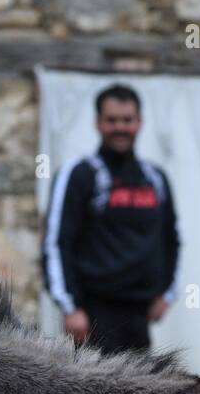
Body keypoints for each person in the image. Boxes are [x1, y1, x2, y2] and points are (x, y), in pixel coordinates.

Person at [42, 84, 181, 353]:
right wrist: (70, 308)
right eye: (112, 120)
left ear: (139, 122)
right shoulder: (79, 174)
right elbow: (56, 243)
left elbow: (172, 239)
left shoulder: (155, 178)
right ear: (98, 123)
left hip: (139, 319)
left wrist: (167, 294)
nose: (120, 127)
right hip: (91, 319)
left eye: (127, 120)